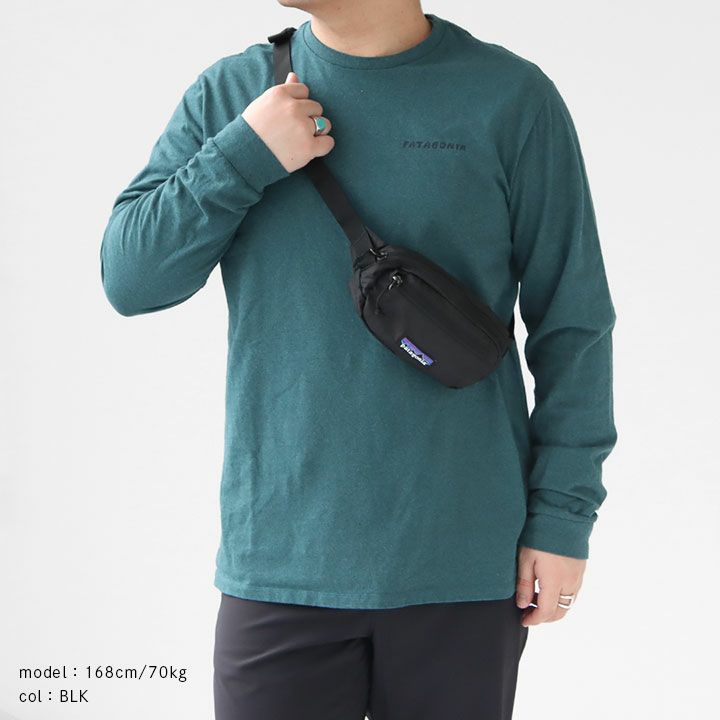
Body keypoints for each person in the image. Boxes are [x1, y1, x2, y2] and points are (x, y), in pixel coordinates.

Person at [99, 1, 617, 718]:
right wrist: (243, 155)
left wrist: (563, 518)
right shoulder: (234, 92)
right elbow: (131, 281)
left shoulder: (510, 98)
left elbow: (574, 322)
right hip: (280, 563)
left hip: (461, 562)